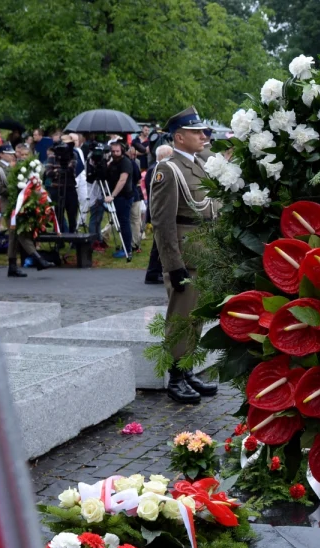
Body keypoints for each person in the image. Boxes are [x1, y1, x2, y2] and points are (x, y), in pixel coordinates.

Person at [149, 106, 220, 404]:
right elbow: (163, 223)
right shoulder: (169, 169)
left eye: (203, 131)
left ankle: (187, 367)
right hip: (185, 255)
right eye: (196, 132)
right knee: (181, 317)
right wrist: (173, 265)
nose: (203, 136)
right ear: (179, 137)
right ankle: (175, 377)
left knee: (196, 317)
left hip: (203, 252)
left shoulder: (200, 163)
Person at [143, 144, 174, 284]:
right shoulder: (156, 170)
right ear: (162, 156)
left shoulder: (156, 169)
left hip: (158, 211)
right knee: (158, 243)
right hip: (158, 212)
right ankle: (153, 273)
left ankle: (156, 271)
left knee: (159, 243)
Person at [104, 140, 134, 257]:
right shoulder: (112, 163)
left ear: (122, 151)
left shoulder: (125, 162)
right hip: (117, 197)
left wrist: (113, 195)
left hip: (123, 197)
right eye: (113, 151)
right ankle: (124, 247)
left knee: (124, 222)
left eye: (117, 151)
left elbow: (122, 180)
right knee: (121, 223)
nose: (115, 153)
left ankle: (127, 249)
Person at [128, 146, 145, 253]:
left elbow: (138, 179)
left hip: (133, 194)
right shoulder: (132, 163)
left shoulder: (134, 162)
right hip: (132, 194)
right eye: (132, 154)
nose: (134, 156)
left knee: (135, 220)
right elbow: (138, 179)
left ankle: (135, 243)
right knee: (134, 220)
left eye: (135, 154)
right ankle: (134, 243)